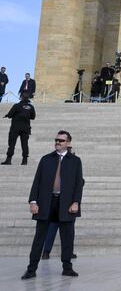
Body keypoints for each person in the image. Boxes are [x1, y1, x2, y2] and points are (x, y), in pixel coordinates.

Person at [22, 130, 84, 280]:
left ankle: (67, 268)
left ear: (68, 143)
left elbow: (78, 184)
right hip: (46, 202)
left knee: (67, 238)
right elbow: (37, 181)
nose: (57, 142)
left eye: (61, 140)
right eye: (56, 140)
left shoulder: (75, 161)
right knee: (39, 238)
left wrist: (76, 202)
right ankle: (31, 270)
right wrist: (33, 201)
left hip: (66, 204)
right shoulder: (46, 159)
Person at [2, 93, 36, 165]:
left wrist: (8, 115)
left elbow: (10, 115)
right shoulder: (31, 107)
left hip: (15, 127)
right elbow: (33, 117)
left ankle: (8, 160)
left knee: (12, 144)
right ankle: (24, 161)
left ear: (21, 97)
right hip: (26, 128)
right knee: (25, 144)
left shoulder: (17, 105)